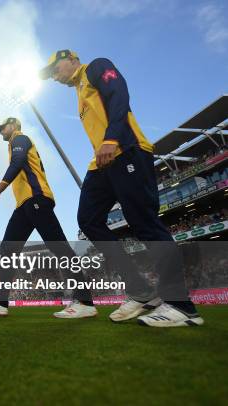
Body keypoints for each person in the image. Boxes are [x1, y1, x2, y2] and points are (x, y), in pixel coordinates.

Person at [40, 49, 203, 327]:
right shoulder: (79, 90)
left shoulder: (96, 67)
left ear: (71, 59)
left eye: (55, 69)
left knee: (144, 223)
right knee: (88, 220)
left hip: (126, 150)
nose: (54, 77)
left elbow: (119, 95)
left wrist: (112, 139)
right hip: (102, 164)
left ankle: (181, 306)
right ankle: (140, 291)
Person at [0, 117, 96, 318]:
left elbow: (17, 163)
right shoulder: (14, 142)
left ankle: (85, 302)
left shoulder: (20, 139)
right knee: (8, 248)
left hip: (36, 198)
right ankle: (1, 302)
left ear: (13, 125)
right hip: (24, 204)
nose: (1, 132)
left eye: (3, 128)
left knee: (59, 247)